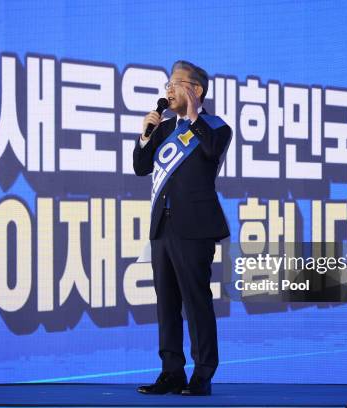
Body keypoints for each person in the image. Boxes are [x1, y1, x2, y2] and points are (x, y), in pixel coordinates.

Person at [133, 60, 232, 396]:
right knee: (167, 303)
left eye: (176, 84)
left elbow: (210, 151)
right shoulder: (162, 129)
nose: (169, 90)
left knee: (196, 302)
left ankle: (202, 375)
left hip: (196, 227)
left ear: (196, 89)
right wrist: (145, 135)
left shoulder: (215, 127)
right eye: (168, 85)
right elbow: (140, 167)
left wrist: (192, 116)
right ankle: (171, 371)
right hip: (162, 226)